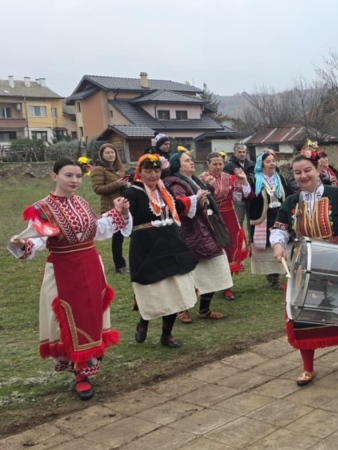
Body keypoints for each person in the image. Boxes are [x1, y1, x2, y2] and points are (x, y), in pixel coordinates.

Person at [8, 158, 131, 400]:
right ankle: (80, 374)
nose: (74, 180)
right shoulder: (42, 209)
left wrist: (119, 213)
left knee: (92, 313)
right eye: (68, 175)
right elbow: (40, 238)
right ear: (54, 177)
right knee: (70, 318)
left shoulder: (82, 203)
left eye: (77, 176)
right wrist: (23, 243)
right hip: (64, 269)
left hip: (90, 264)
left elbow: (97, 229)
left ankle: (88, 362)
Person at [270, 152, 338, 387]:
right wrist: (277, 245)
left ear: (317, 171)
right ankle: (308, 367)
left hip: (336, 259)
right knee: (304, 313)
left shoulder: (337, 194)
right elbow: (280, 228)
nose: (303, 176)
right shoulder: (292, 201)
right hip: (305, 262)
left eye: (307, 170)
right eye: (297, 172)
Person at [125, 154, 200, 349]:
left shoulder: (164, 191)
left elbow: (179, 206)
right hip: (146, 247)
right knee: (152, 289)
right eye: (148, 171)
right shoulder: (132, 193)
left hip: (170, 243)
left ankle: (167, 334)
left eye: (156, 171)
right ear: (139, 172)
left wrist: (196, 198)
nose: (152, 175)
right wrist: (123, 212)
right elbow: (125, 217)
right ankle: (144, 319)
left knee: (174, 289)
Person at [163, 151, 233, 324]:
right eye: (187, 161)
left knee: (215, 268)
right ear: (177, 165)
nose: (191, 163)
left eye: (191, 160)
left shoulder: (194, 179)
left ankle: (204, 309)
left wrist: (207, 189)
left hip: (205, 229)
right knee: (189, 273)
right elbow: (179, 204)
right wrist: (197, 197)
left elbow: (202, 199)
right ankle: (183, 310)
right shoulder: (174, 183)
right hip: (189, 233)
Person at [199, 152, 251, 300]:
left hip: (229, 216)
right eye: (214, 164)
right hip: (210, 216)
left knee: (230, 248)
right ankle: (211, 284)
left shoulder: (230, 178)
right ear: (208, 164)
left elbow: (239, 198)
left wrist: (241, 182)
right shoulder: (201, 179)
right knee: (214, 249)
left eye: (220, 164)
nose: (218, 167)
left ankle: (228, 286)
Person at [249, 150, 293, 289]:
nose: (272, 163)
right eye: (268, 161)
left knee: (279, 243)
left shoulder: (280, 178)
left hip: (278, 215)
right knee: (267, 247)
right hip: (264, 217)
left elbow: (290, 193)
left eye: (273, 161)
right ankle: (271, 276)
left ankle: (277, 275)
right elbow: (249, 197)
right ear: (261, 165)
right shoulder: (254, 179)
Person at [90, 143, 131, 274]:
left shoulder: (120, 168)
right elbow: (98, 189)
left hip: (124, 205)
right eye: (107, 153)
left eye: (112, 152)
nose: (110, 155)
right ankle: (120, 265)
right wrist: (117, 184)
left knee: (132, 232)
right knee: (117, 237)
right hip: (110, 206)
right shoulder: (98, 169)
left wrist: (127, 184)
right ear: (102, 155)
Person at [224, 144, 256, 229]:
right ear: (234, 153)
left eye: (244, 152)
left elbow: (256, 178)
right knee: (239, 219)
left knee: (252, 218)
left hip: (250, 194)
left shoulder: (252, 164)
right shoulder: (228, 166)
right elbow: (227, 180)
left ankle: (250, 239)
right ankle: (240, 239)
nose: (242, 154)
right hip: (238, 197)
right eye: (239, 152)